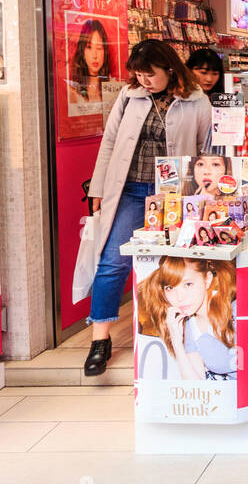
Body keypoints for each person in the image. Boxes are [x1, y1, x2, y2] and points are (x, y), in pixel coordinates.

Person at [84, 39, 211, 376]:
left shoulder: (196, 101)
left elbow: (204, 148)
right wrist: (98, 188)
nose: (144, 80)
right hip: (129, 190)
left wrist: (204, 193)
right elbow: (109, 143)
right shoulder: (129, 97)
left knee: (172, 266)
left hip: (174, 194)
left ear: (170, 69)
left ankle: (175, 334)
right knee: (113, 260)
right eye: (138, 74)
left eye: (150, 74)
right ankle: (100, 340)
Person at [135, 257, 237, 381]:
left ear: (207, 279)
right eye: (170, 288)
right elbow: (195, 387)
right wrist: (177, 342)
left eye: (188, 284)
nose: (179, 297)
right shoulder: (190, 327)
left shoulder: (236, 311)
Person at [68, 19, 113, 106]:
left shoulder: (112, 87)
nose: (94, 55)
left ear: (104, 52)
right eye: (89, 47)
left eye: (99, 48)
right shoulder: (73, 92)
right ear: (83, 52)